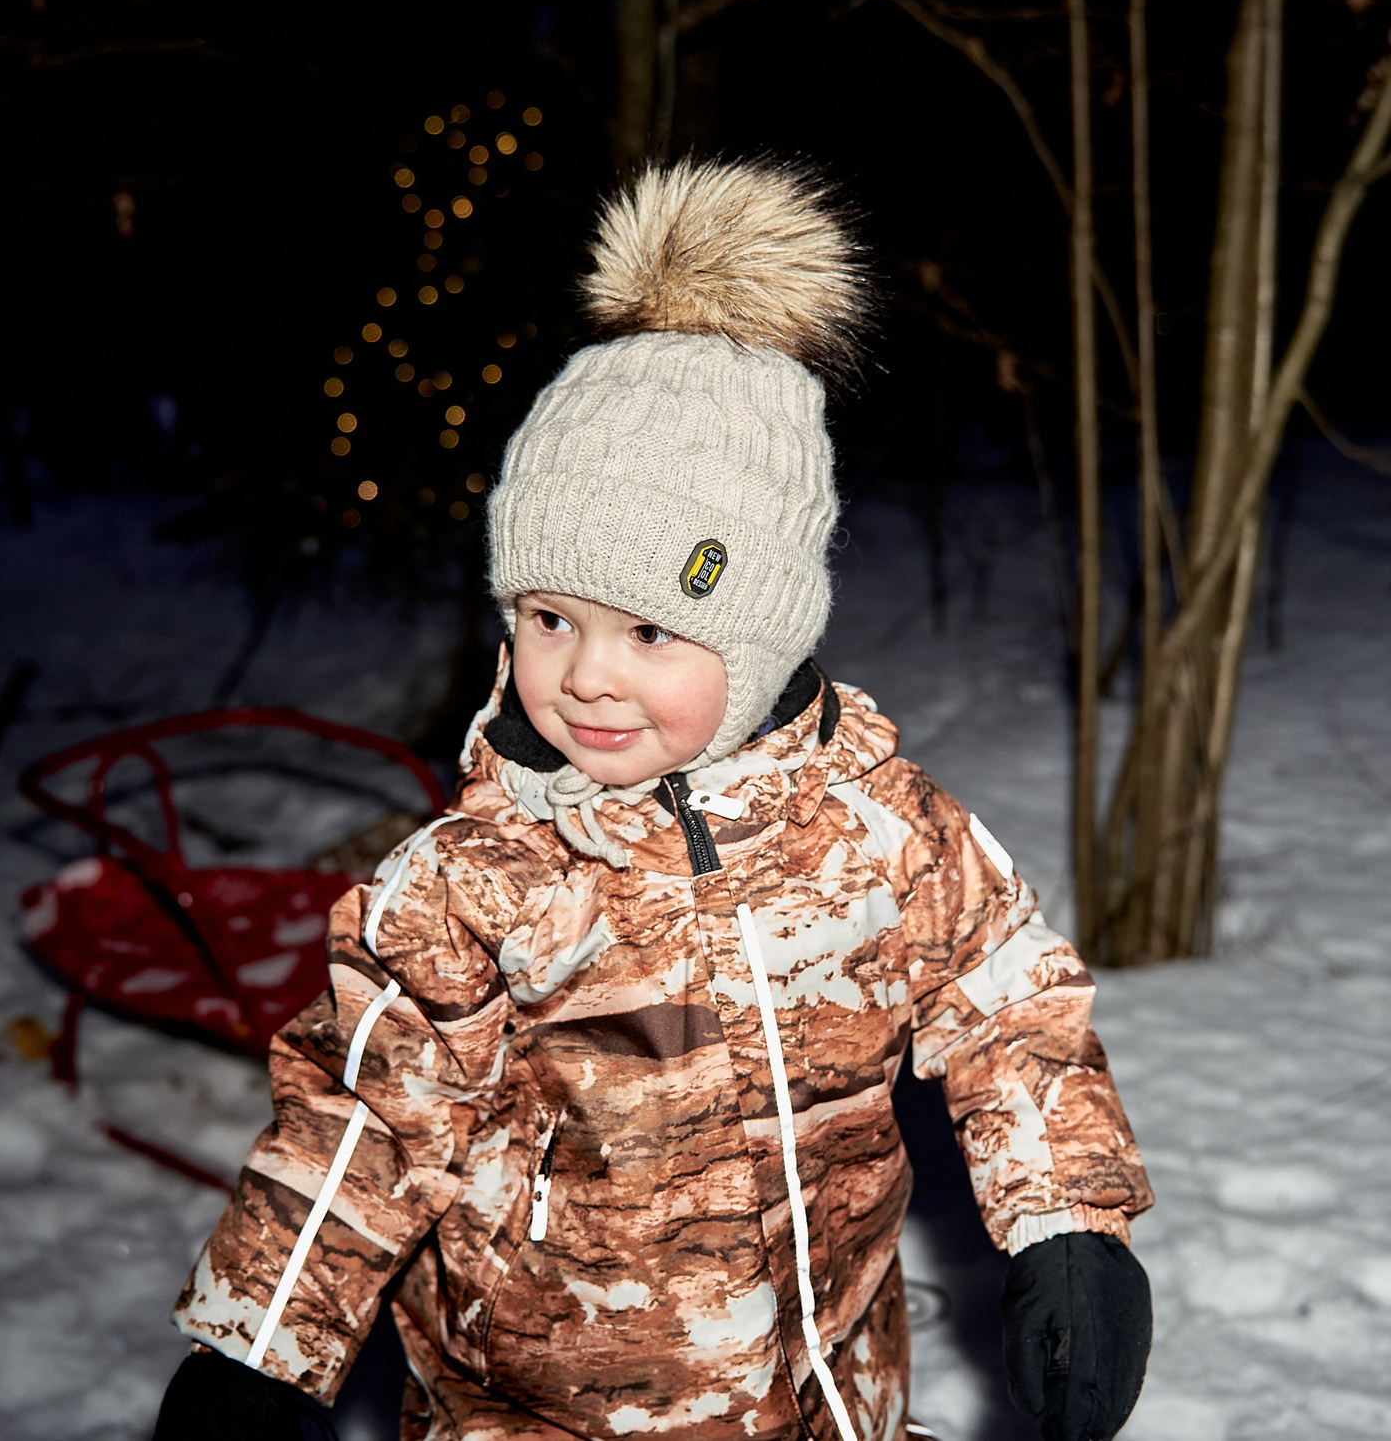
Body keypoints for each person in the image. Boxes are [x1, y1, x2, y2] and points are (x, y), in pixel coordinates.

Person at [153, 161, 1154, 1441]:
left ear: (763, 637)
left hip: (835, 1385)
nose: (587, 677)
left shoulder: (882, 830)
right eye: (550, 617)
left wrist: (1068, 1222)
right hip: (547, 1406)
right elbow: (363, 1129)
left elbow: (1013, 1006)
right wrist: (260, 1345)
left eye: (650, 632)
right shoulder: (475, 882)